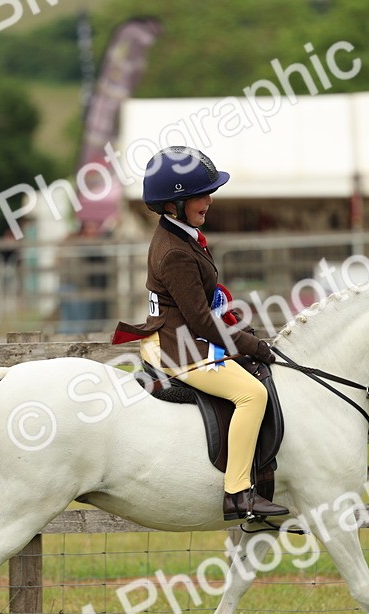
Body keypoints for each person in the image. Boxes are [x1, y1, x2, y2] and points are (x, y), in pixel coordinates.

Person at [114, 146, 289, 521]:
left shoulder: (182, 235)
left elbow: (206, 304)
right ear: (174, 204)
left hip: (179, 337)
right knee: (251, 394)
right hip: (179, 347)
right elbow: (200, 322)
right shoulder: (175, 251)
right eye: (201, 195)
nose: (209, 201)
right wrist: (251, 344)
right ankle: (239, 493)